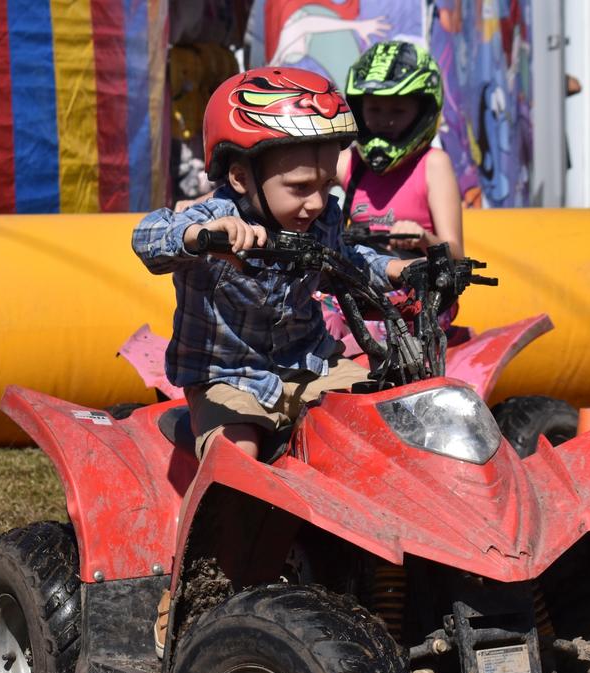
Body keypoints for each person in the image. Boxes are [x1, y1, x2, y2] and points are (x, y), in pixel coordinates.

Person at [132, 66, 421, 466]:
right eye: (301, 188)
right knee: (238, 462)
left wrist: (400, 271)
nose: (318, 202)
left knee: (382, 422)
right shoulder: (215, 219)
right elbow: (147, 237)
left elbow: (346, 262)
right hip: (229, 378)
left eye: (326, 186)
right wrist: (201, 237)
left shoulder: (321, 219)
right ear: (239, 176)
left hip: (311, 365)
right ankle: (220, 524)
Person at [325, 40, 465, 348]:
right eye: (374, 109)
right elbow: (293, 180)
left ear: (423, 111)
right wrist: (206, 202)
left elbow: (455, 253)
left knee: (359, 338)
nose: (385, 120)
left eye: (398, 110)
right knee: (309, 317)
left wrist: (423, 239)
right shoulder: (350, 163)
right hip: (358, 287)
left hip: (422, 298)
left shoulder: (433, 164)